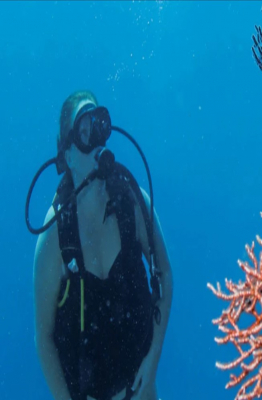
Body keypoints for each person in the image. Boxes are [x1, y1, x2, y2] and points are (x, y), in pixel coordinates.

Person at [31, 90, 173, 400]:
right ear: (67, 154)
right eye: (84, 132)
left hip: (142, 389)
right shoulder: (56, 233)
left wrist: (152, 363)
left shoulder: (132, 203)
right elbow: (43, 337)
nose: (95, 142)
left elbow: (165, 274)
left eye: (99, 127)